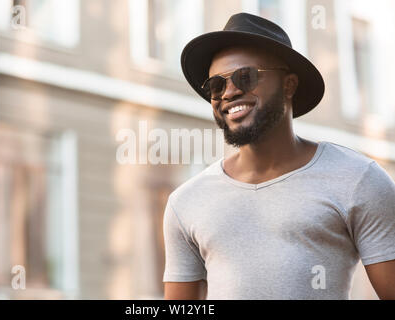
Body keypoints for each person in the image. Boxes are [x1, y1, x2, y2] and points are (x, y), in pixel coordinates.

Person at [162, 12, 395, 300]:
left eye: (244, 77)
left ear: (289, 85)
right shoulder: (185, 202)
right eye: (216, 86)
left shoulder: (358, 180)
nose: (229, 93)